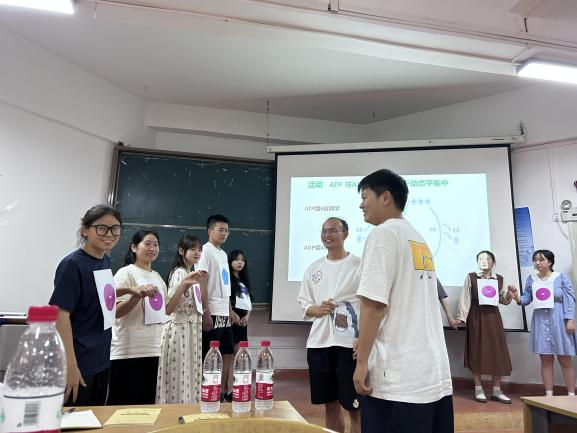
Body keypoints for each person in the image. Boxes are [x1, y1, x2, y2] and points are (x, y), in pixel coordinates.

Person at [352, 169, 453, 433]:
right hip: (430, 375)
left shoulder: (383, 234)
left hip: (397, 379)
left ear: (386, 197)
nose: (361, 205)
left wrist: (362, 363)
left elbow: (374, 305)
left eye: (365, 197)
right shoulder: (417, 236)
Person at [49, 204, 123, 406]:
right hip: (79, 362)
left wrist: (129, 291)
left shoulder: (105, 261)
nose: (109, 234)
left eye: (115, 228)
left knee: (96, 417)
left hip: (101, 358)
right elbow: (60, 314)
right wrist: (70, 366)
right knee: (74, 419)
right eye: (102, 228)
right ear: (85, 230)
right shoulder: (73, 264)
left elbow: (98, 298)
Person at [298, 217, 361, 433]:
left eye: (333, 230)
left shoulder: (359, 266)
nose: (327, 235)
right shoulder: (313, 268)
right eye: (324, 231)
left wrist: (364, 339)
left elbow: (371, 305)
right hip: (319, 344)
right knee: (330, 405)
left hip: (349, 345)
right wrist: (317, 309)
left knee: (355, 407)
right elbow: (304, 304)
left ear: (345, 234)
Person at [107, 230, 167, 405]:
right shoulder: (125, 273)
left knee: (145, 407)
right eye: (147, 244)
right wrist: (136, 295)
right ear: (134, 247)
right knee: (121, 407)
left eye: (155, 244)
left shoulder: (157, 277)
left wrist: (183, 286)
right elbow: (116, 312)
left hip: (153, 349)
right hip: (128, 351)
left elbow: (165, 311)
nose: (152, 248)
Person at [509, 249, 577, 396]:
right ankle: (549, 395)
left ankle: (571, 395)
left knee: (565, 360)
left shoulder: (561, 278)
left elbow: (570, 300)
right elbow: (526, 299)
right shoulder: (531, 279)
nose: (537, 263)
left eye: (541, 260)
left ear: (550, 262)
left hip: (559, 321)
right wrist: (517, 297)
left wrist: (570, 319)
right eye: (535, 260)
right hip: (540, 321)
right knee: (545, 360)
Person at [456, 250, 513, 404]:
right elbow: (465, 298)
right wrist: (461, 317)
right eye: (480, 259)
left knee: (497, 351)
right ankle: (478, 389)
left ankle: (496, 390)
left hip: (493, 317)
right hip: (476, 316)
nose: (484, 261)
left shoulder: (499, 279)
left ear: (493, 262)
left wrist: (510, 294)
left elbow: (503, 299)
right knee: (477, 350)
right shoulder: (471, 277)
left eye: (487, 259)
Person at [156, 235, 206, 403]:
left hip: (190, 329)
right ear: (181, 251)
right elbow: (171, 306)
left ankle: (187, 404)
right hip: (180, 330)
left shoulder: (191, 272)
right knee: (178, 373)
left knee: (186, 371)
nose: (197, 252)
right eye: (193, 249)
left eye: (199, 249)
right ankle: (177, 407)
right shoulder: (179, 272)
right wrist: (185, 286)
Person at [197, 214, 235, 401]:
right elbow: (201, 282)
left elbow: (225, 285)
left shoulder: (223, 254)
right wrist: (205, 311)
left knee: (227, 351)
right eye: (221, 230)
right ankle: (206, 393)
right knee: (209, 355)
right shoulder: (205, 251)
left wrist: (229, 310)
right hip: (211, 310)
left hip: (224, 312)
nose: (224, 233)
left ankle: (220, 391)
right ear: (210, 231)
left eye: (227, 230)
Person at [225, 249, 254, 402]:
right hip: (231, 319)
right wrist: (232, 314)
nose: (240, 262)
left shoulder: (244, 280)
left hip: (243, 321)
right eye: (236, 259)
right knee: (229, 355)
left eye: (242, 260)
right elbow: (225, 299)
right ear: (230, 261)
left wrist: (247, 316)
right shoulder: (227, 279)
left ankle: (233, 388)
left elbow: (248, 301)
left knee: (238, 355)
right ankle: (227, 389)